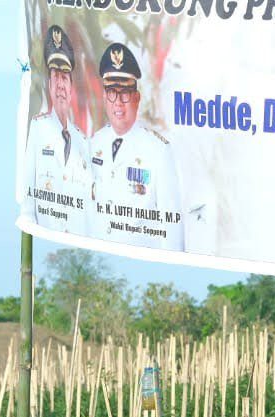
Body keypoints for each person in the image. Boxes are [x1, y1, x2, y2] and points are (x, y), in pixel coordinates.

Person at [89, 42, 184, 251]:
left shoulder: (158, 150)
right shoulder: (93, 144)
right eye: (112, 93)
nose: (118, 103)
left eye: (125, 93)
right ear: (105, 97)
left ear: (137, 98)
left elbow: (172, 221)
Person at [21, 25, 91, 233]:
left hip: (77, 247)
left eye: (65, 77)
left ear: (71, 87)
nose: (60, 84)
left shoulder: (82, 142)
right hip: (45, 241)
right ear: (49, 84)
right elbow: (27, 197)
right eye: (55, 76)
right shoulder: (37, 128)